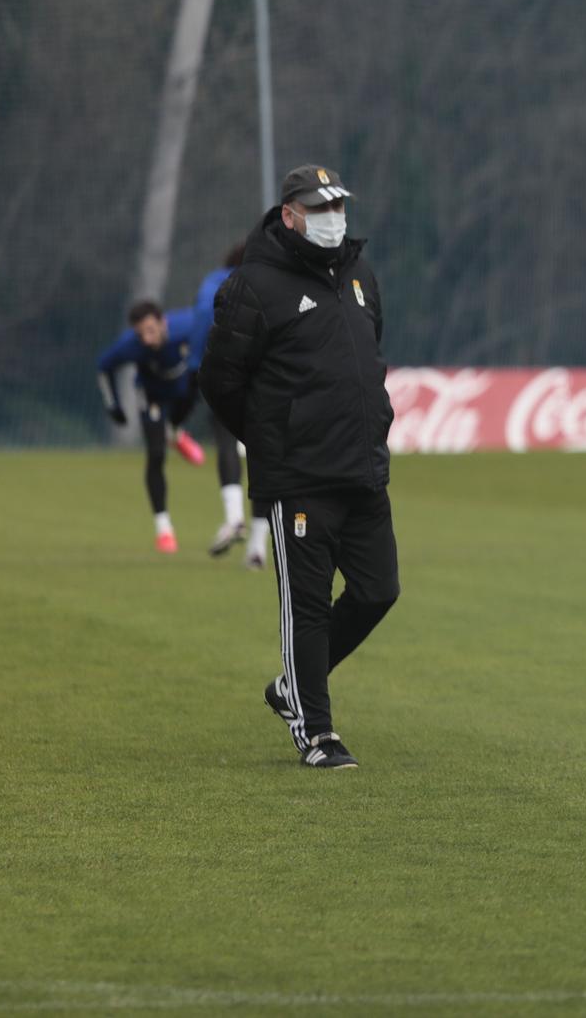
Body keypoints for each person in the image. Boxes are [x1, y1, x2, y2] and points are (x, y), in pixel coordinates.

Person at [200, 165, 397, 770]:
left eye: (338, 205)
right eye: (319, 208)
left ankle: (291, 685)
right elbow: (220, 381)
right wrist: (272, 439)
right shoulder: (254, 286)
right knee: (307, 607)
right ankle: (317, 733)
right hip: (301, 479)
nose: (333, 217)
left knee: (377, 591)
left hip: (363, 470)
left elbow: (371, 351)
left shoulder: (361, 275)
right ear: (289, 215)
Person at [95, 299, 238, 554]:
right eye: (141, 334)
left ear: (163, 323)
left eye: (151, 330)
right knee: (156, 454)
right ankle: (164, 530)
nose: (147, 339)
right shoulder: (131, 346)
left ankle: (175, 432)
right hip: (152, 397)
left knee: (189, 407)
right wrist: (113, 406)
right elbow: (104, 367)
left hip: (186, 391)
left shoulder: (190, 327)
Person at [193, 241, 266, 568]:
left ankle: (235, 517)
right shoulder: (274, 279)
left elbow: (201, 318)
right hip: (267, 377)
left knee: (225, 440)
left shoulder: (216, 280)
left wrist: (202, 365)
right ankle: (258, 546)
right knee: (265, 455)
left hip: (228, 371)